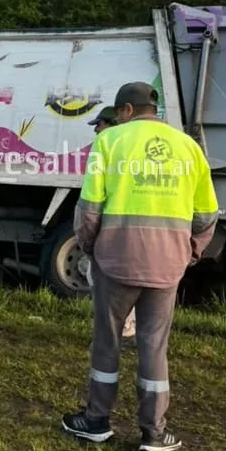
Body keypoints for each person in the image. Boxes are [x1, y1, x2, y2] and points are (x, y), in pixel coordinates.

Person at [62, 82, 218, 451]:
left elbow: (89, 209)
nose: (116, 119)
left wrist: (90, 248)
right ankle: (154, 433)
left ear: (128, 110)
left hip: (115, 261)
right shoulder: (189, 148)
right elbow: (206, 215)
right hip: (167, 266)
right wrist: (189, 253)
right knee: (153, 346)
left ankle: (96, 421)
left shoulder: (108, 142)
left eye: (118, 113)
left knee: (108, 341)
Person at [83, 106, 136, 341]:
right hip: (129, 227)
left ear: (111, 124)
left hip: (113, 228)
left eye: (100, 124)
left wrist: (87, 235)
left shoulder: (107, 148)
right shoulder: (128, 148)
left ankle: (122, 330)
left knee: (107, 280)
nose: (96, 129)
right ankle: (126, 328)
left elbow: (93, 199)